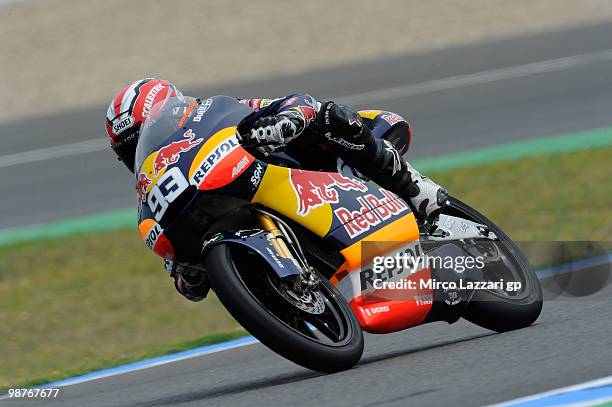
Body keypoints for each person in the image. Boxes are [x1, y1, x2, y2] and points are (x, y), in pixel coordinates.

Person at [105, 78, 448, 302]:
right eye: (128, 149)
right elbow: (188, 286)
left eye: (141, 136)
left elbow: (297, 101)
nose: (139, 151)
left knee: (329, 116)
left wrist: (286, 120)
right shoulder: (155, 194)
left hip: (309, 166)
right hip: (258, 209)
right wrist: (186, 269)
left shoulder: (214, 112)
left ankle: (417, 190)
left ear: (176, 110)